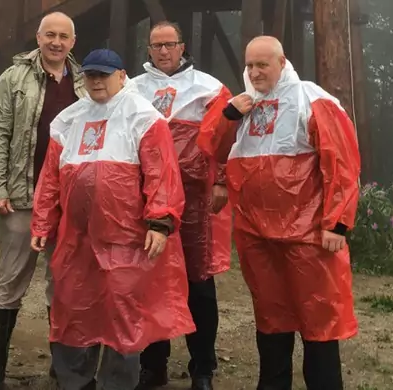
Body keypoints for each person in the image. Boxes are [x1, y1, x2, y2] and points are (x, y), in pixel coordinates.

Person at [200, 35, 361, 390]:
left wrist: (337, 222)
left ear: (282, 61)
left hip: (307, 235)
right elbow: (211, 147)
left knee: (318, 317)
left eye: (262, 65)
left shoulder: (312, 99)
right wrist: (229, 116)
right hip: (256, 233)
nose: (255, 72)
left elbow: (342, 163)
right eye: (250, 65)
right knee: (271, 317)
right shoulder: (241, 103)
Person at [30, 48, 196, 390]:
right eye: (90, 74)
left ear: (122, 76)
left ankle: (117, 384)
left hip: (127, 241)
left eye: (103, 74)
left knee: (123, 315)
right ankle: (75, 382)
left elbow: (161, 173)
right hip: (77, 240)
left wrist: (160, 222)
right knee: (74, 307)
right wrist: (43, 221)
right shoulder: (69, 119)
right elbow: (51, 177)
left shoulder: (143, 117)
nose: (96, 80)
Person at [0, 11, 86, 390]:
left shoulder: (86, 82)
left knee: (64, 284)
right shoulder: (14, 78)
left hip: (70, 201)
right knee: (10, 282)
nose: (57, 42)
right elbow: (0, 134)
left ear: (74, 41)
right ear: (38, 37)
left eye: (64, 36)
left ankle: (62, 368)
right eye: (50, 35)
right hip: (24, 195)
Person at [132, 21, 233, 390]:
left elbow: (226, 134)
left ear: (182, 46)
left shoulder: (208, 86)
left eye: (169, 44)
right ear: (148, 49)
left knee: (199, 281)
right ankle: (152, 365)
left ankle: (202, 366)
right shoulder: (132, 88)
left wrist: (221, 178)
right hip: (149, 196)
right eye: (156, 45)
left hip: (194, 198)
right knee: (151, 279)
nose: (163, 51)